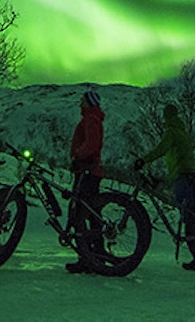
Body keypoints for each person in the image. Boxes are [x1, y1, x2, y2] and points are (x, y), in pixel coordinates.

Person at [135, 102, 195, 271]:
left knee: (190, 216)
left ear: (166, 116)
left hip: (183, 175)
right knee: (190, 214)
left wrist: (143, 160)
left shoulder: (171, 132)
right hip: (191, 174)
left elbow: (161, 149)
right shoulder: (183, 131)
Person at [66, 88, 105, 273]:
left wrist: (77, 156)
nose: (80, 102)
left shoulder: (90, 119)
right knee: (92, 214)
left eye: (82, 99)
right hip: (91, 171)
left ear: (89, 102)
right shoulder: (92, 118)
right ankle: (96, 255)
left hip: (87, 171)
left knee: (81, 214)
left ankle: (87, 257)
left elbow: (91, 144)